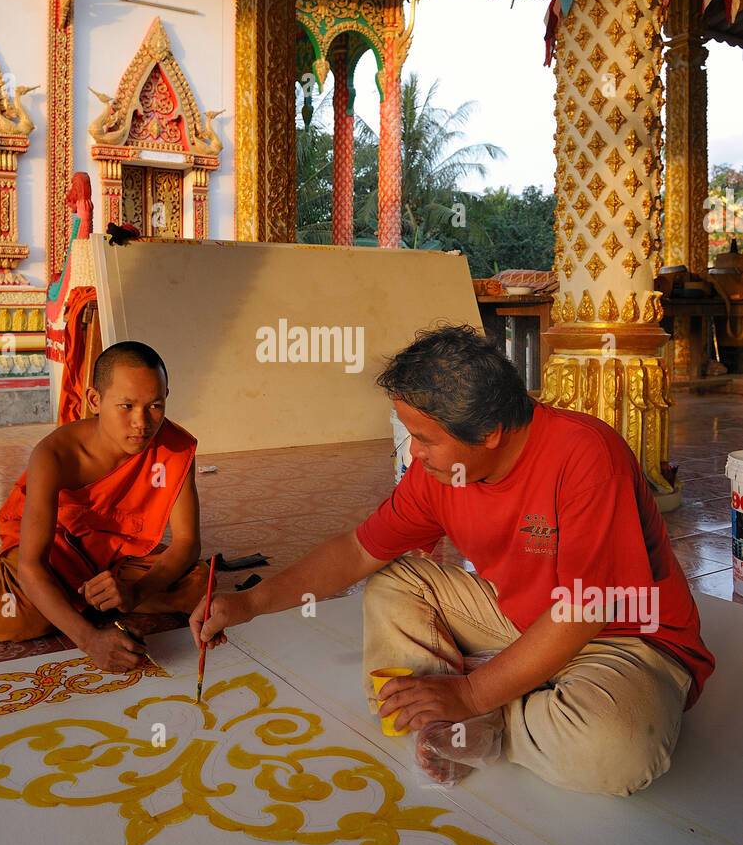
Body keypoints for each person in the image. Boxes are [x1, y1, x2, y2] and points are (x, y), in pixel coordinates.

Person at [189, 324, 715, 797]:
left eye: (423, 438)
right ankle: (459, 708)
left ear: (489, 433)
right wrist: (248, 603)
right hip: (520, 619)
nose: (413, 453)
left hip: (624, 638)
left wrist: (472, 692)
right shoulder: (441, 472)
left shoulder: (584, 455)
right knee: (393, 581)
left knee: (616, 752)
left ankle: (485, 718)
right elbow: (357, 551)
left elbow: (584, 610)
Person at [0, 341, 209, 674]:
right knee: (16, 618)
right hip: (57, 545)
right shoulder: (54, 456)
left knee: (197, 585)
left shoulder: (175, 448)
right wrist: (90, 640)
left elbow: (186, 543)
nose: (142, 422)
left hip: (118, 550)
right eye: (126, 406)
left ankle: (62, 594)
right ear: (95, 400)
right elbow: (34, 566)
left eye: (155, 405)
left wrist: (135, 592)